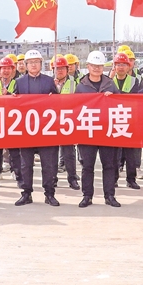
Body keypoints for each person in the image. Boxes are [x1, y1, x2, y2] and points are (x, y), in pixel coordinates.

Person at [14, 50, 60, 207]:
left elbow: (58, 103)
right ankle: (26, 193)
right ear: (26, 65)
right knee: (26, 164)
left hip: (45, 130)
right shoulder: (19, 82)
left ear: (41, 64)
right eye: (30, 62)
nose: (33, 65)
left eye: (36, 62)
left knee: (48, 164)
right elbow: (14, 104)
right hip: (26, 130)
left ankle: (49, 194)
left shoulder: (49, 81)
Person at [75, 51, 119, 207]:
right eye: (93, 65)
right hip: (87, 131)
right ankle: (87, 196)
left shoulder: (110, 84)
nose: (96, 68)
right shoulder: (81, 86)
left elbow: (121, 105)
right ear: (88, 66)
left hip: (107, 131)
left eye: (99, 66)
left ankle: (109, 196)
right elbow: (75, 108)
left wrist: (112, 98)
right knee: (87, 166)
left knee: (109, 165)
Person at [109, 52, 143, 191]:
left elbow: (139, 99)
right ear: (114, 66)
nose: (121, 67)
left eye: (123, 64)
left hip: (131, 121)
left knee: (131, 153)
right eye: (118, 64)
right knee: (114, 154)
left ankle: (131, 179)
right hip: (114, 121)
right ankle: (113, 179)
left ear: (128, 66)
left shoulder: (135, 81)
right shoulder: (108, 81)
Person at [51, 56, 81, 191]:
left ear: (67, 69)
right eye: (57, 68)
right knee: (52, 153)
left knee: (69, 153)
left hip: (68, 121)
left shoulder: (75, 83)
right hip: (52, 121)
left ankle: (72, 179)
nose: (60, 71)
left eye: (62, 68)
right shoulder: (49, 83)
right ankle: (52, 179)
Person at [0, 56, 20, 188]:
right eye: (3, 68)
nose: (6, 71)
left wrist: (8, 94)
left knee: (14, 151)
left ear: (13, 70)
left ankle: (18, 176)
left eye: (9, 68)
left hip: (12, 121)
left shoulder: (17, 83)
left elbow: (20, 99)